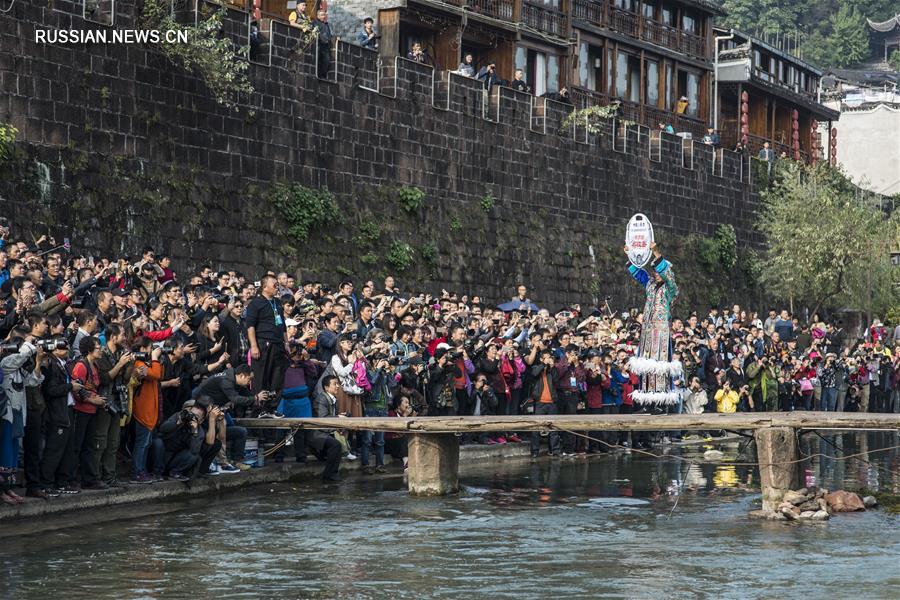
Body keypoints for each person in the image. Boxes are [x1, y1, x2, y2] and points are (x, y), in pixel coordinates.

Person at [625, 242, 679, 404]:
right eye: (654, 271)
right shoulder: (650, 284)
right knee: (646, 364)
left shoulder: (671, 288)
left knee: (660, 364)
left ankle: (660, 402)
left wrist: (655, 252)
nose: (655, 273)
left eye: (658, 271)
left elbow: (668, 275)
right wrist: (629, 255)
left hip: (661, 331)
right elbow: (638, 273)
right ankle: (648, 401)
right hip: (647, 330)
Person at [245, 274, 289, 417]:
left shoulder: (277, 302)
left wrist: (286, 343)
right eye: (274, 284)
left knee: (277, 377)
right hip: (263, 343)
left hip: (278, 344)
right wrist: (254, 346)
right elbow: (250, 326)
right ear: (264, 287)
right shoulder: (256, 303)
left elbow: (283, 326)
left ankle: (271, 407)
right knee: (261, 377)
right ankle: (260, 408)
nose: (277, 286)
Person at [158, 398, 223, 480]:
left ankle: (175, 473)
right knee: (158, 443)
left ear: (201, 421)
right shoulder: (179, 416)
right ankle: (156, 472)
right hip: (162, 455)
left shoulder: (199, 430)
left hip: (175, 459)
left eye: (196, 417)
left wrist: (194, 431)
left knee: (194, 455)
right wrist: (178, 422)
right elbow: (163, 429)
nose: (191, 417)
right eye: (191, 414)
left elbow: (195, 451)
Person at [307, 375, 344, 481]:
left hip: (326, 431)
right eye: (334, 384)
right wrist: (338, 418)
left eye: (338, 384)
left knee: (341, 441)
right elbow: (323, 418)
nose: (337, 386)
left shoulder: (333, 399)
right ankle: (330, 474)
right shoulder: (321, 399)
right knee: (336, 445)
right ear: (326, 387)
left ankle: (328, 466)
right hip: (316, 433)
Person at [312, 9, 333, 79]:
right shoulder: (315, 22)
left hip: (326, 45)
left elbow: (329, 34)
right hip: (319, 43)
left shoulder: (326, 24)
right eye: (322, 15)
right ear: (318, 16)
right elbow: (316, 32)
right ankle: (318, 75)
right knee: (318, 60)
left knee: (327, 61)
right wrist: (322, 39)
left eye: (324, 15)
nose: (323, 16)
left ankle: (322, 75)